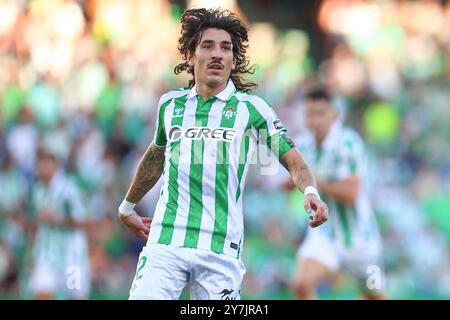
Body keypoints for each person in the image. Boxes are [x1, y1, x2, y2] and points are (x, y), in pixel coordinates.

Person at [118, 8, 328, 300]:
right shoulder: (170, 105)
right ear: (191, 57)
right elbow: (157, 155)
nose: (217, 54)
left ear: (233, 60)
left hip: (220, 249)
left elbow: (293, 161)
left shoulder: (252, 109)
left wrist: (310, 191)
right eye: (208, 46)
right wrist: (127, 207)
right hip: (166, 242)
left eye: (225, 48)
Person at [287, 87, 386, 300]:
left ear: (335, 114)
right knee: (301, 285)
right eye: (309, 114)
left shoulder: (348, 143)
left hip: (360, 239)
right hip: (325, 234)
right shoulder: (303, 144)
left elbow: (351, 194)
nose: (315, 120)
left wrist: (313, 181)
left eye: (320, 113)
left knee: (374, 295)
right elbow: (290, 181)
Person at [29, 146, 91, 299]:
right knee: (42, 293)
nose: (42, 168)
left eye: (46, 164)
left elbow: (85, 222)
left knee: (75, 296)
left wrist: (56, 219)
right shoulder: (37, 190)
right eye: (40, 164)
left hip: (71, 253)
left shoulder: (69, 189)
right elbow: (39, 223)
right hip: (47, 253)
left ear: (55, 165)